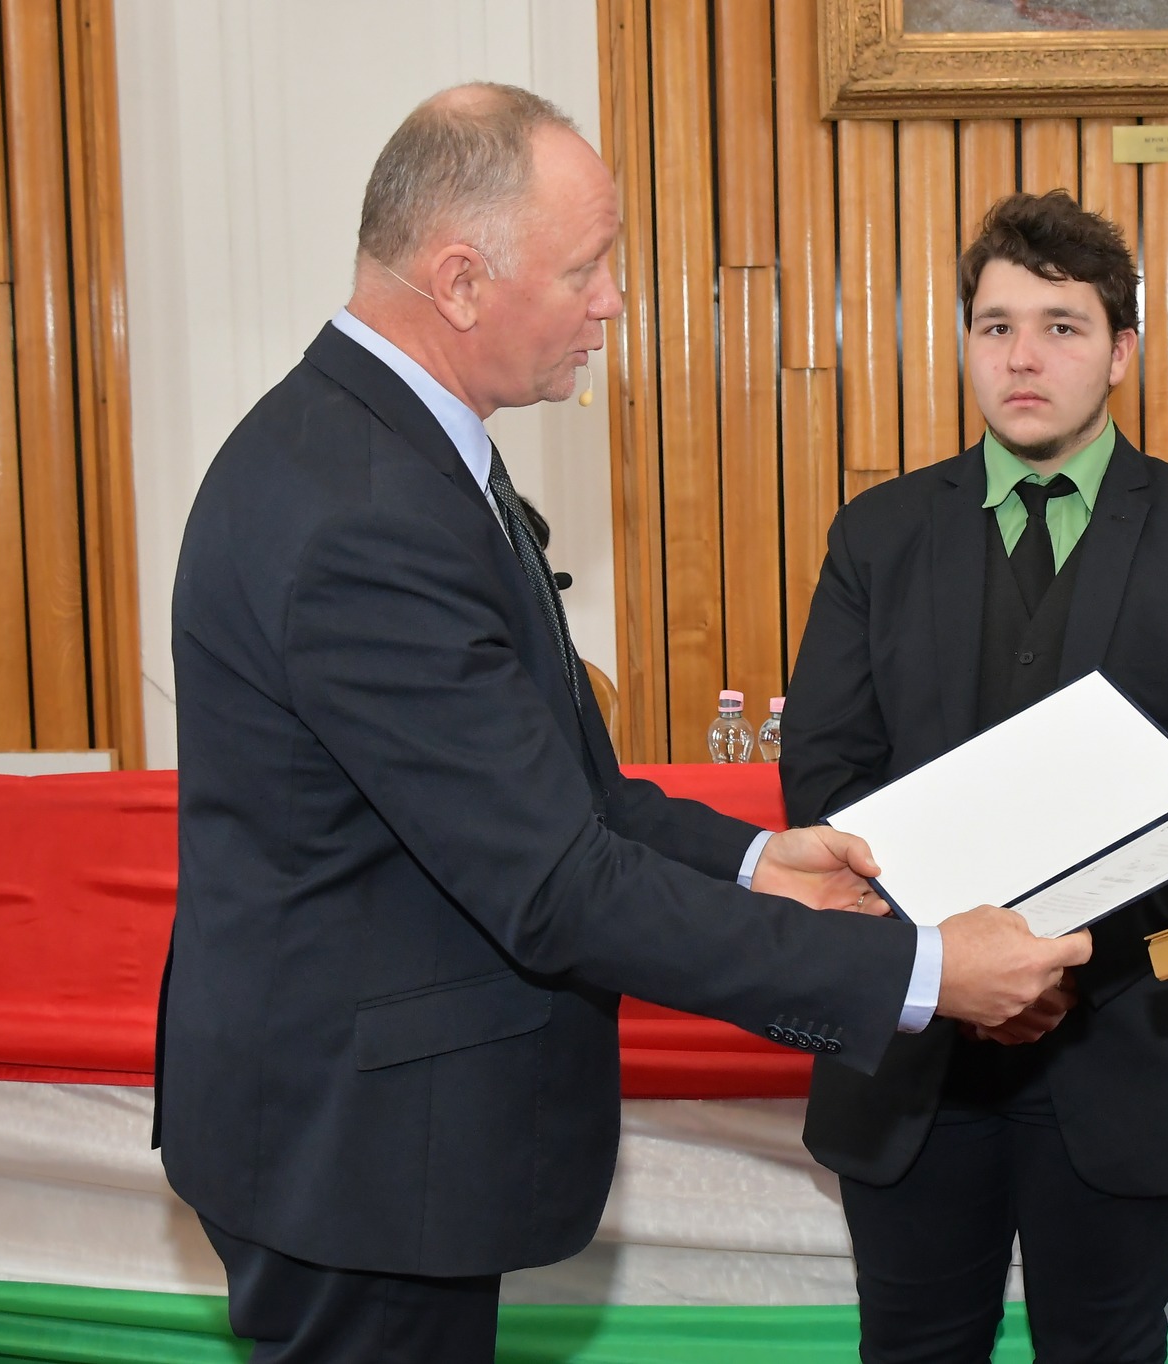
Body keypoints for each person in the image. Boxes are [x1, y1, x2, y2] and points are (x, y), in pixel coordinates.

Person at [157, 84, 1088, 1364]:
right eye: (584, 268)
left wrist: (759, 859)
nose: (611, 301)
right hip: (354, 1148)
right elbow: (555, 884)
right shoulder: (364, 507)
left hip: (371, 1131)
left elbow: (564, 791)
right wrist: (921, 972)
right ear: (462, 279)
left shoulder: (394, 447)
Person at [782, 190, 1168, 1364]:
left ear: (1119, 352)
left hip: (1123, 1038)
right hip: (911, 1044)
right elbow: (826, 778)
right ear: (964, 342)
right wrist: (953, 966)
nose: (1022, 356)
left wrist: (1047, 968)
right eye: (995, 325)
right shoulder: (876, 534)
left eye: (1061, 327)